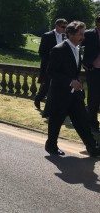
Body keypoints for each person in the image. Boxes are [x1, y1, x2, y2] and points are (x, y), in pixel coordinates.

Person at [44, 21, 99, 157]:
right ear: (71, 34)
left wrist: (77, 81)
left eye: (83, 33)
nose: (83, 37)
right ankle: (51, 146)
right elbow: (51, 72)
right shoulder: (59, 49)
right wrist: (70, 81)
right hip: (60, 94)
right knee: (56, 121)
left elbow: (73, 71)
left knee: (82, 120)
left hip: (75, 95)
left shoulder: (78, 48)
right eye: (80, 34)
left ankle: (92, 148)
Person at [35, 18, 67, 114]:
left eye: (66, 27)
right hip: (49, 67)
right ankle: (38, 98)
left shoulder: (65, 37)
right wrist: (51, 60)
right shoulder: (47, 35)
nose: (65, 29)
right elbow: (41, 52)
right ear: (57, 26)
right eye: (63, 27)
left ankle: (52, 109)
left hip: (61, 68)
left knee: (58, 88)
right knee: (46, 87)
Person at [81, 14, 100, 134]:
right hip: (93, 71)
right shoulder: (88, 34)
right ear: (97, 23)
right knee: (93, 98)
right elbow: (77, 48)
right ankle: (92, 124)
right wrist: (84, 64)